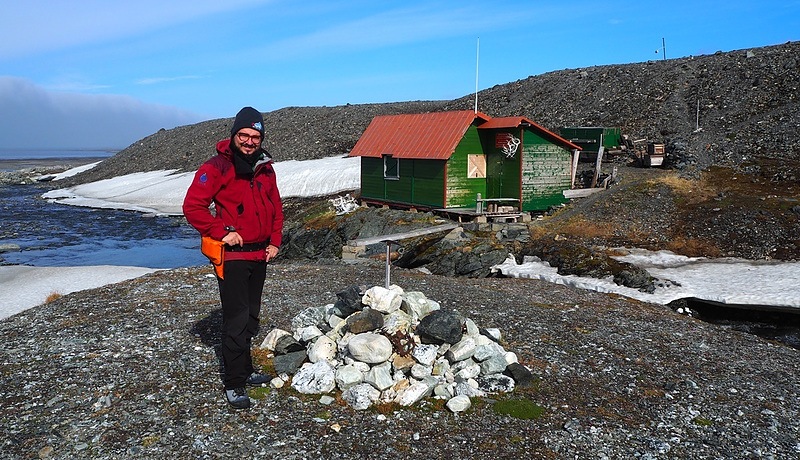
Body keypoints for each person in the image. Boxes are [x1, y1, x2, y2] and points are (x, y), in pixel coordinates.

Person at [182, 106, 284, 410]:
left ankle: (246, 370)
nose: (250, 141)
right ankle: (234, 383)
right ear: (234, 134)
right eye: (244, 135)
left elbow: (276, 206)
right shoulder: (216, 167)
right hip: (233, 257)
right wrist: (221, 231)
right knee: (237, 319)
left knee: (251, 316)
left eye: (255, 136)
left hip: (260, 253)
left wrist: (275, 241)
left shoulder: (266, 167)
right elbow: (193, 207)